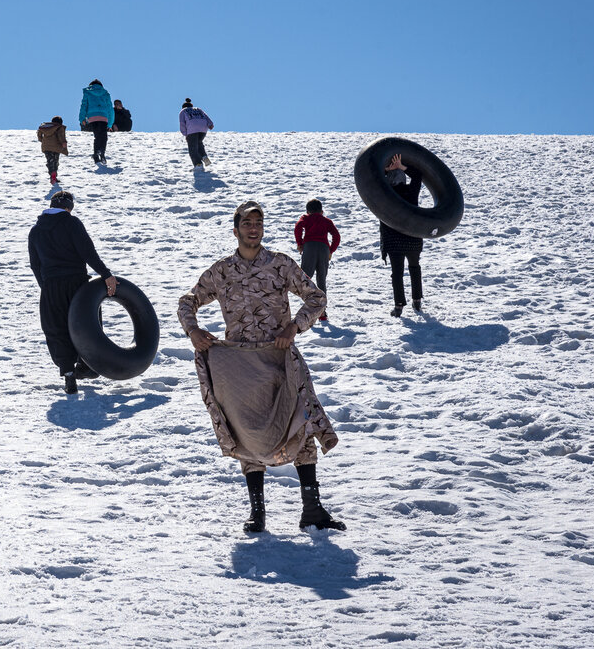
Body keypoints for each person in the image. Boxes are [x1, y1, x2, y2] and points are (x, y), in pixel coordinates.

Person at [178, 200, 344, 533]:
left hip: (280, 358)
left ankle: (311, 508)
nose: (254, 228)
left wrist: (294, 327)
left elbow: (316, 297)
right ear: (236, 228)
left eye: (259, 223)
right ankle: (258, 513)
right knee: (246, 431)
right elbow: (187, 301)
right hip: (240, 367)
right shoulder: (222, 271)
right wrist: (193, 330)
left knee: (302, 424)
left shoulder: (281, 265)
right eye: (247, 223)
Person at [28, 191, 118, 395]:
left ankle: (68, 374)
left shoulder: (36, 231)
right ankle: (88, 365)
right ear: (69, 207)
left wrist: (46, 287)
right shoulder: (72, 223)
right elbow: (88, 252)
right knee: (86, 324)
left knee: (57, 329)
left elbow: (35, 264)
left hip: (51, 286)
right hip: (77, 284)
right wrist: (106, 274)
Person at [381, 153, 424, 317]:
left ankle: (399, 305)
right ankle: (417, 301)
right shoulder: (411, 192)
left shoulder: (385, 194)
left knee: (397, 273)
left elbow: (374, 182)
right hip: (413, 238)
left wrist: (386, 170)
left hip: (393, 240)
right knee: (415, 268)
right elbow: (418, 175)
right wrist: (401, 167)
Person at [295, 199, 341, 322]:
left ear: (307, 211)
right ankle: (322, 312)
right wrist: (331, 250)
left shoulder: (306, 218)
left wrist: (300, 243)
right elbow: (336, 236)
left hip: (309, 247)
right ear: (322, 211)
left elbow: (298, 227)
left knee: (305, 279)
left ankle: (308, 309)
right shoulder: (326, 221)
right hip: (324, 249)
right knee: (321, 280)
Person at [78, 79, 113, 164]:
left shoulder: (87, 92)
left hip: (92, 117)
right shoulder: (105, 93)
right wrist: (110, 122)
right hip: (103, 117)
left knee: (97, 136)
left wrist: (82, 118)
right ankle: (102, 152)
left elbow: (84, 105)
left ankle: (96, 153)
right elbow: (110, 108)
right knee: (103, 136)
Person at [179, 98, 214, 169]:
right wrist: (210, 124)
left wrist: (186, 134)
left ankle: (198, 164)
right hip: (203, 129)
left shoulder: (183, 111)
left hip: (192, 129)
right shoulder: (198, 109)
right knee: (198, 143)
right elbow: (206, 117)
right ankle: (204, 157)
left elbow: (182, 123)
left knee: (193, 148)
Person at [37, 115, 68, 185]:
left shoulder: (45, 127)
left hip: (46, 147)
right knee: (55, 161)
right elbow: (61, 136)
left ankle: (52, 174)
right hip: (56, 148)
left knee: (50, 160)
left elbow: (39, 133)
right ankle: (54, 175)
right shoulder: (59, 127)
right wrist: (63, 142)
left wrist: (41, 140)